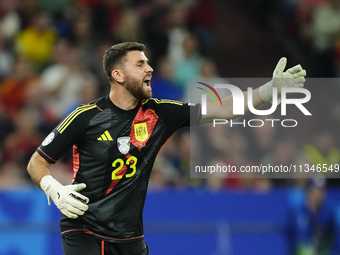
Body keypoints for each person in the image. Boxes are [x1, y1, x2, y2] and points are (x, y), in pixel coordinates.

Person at [26, 42, 306, 255]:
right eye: (139, 64)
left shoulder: (160, 114)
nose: (149, 68)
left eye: (148, 63)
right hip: (85, 231)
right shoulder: (85, 117)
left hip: (131, 239)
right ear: (118, 74)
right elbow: (36, 163)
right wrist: (55, 188)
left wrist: (267, 91)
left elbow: (223, 108)